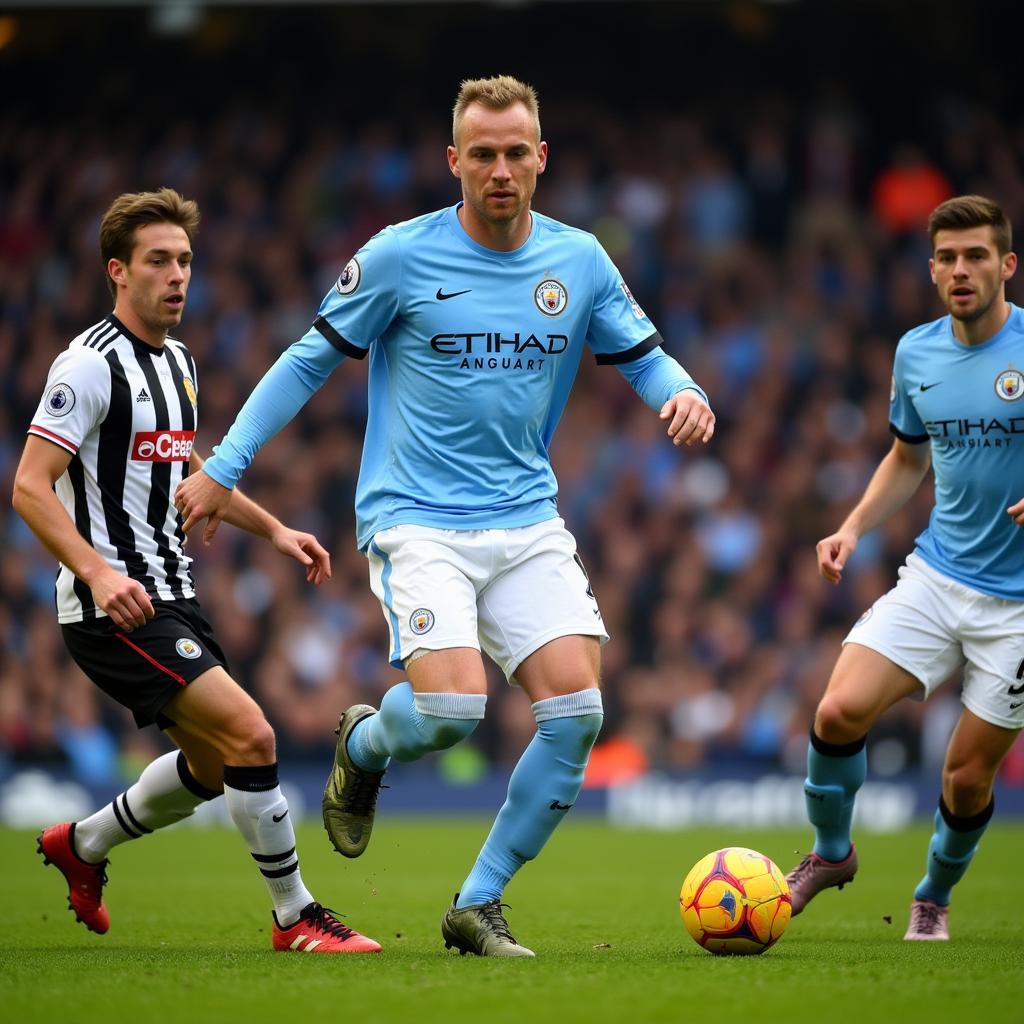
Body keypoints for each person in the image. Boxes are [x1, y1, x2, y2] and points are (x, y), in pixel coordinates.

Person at [174, 75, 714, 957]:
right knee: (456, 709)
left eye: (515, 154)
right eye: (483, 155)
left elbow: (644, 355)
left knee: (577, 713)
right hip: (417, 516)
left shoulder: (578, 260)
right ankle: (368, 743)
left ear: (541, 161)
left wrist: (684, 391)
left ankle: (478, 902)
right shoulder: (399, 256)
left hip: (526, 516)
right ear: (453, 161)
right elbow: (308, 361)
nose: (500, 170)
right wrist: (225, 465)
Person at [15, 188, 380, 954]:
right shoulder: (86, 365)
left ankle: (79, 846)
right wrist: (97, 573)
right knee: (252, 732)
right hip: (114, 608)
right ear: (119, 272)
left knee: (215, 768)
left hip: (172, 592)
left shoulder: (178, 362)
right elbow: (27, 485)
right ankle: (296, 917)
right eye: (158, 261)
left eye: (184, 260)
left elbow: (185, 472)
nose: (178, 275)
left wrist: (274, 528)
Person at [785, 194, 1022, 941]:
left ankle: (933, 893)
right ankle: (831, 855)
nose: (961, 269)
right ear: (931, 269)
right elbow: (907, 456)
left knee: (964, 777)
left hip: (1018, 609)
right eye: (948, 258)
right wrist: (853, 527)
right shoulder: (916, 353)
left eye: (977, 255)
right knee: (836, 712)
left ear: (1006, 266)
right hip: (938, 574)